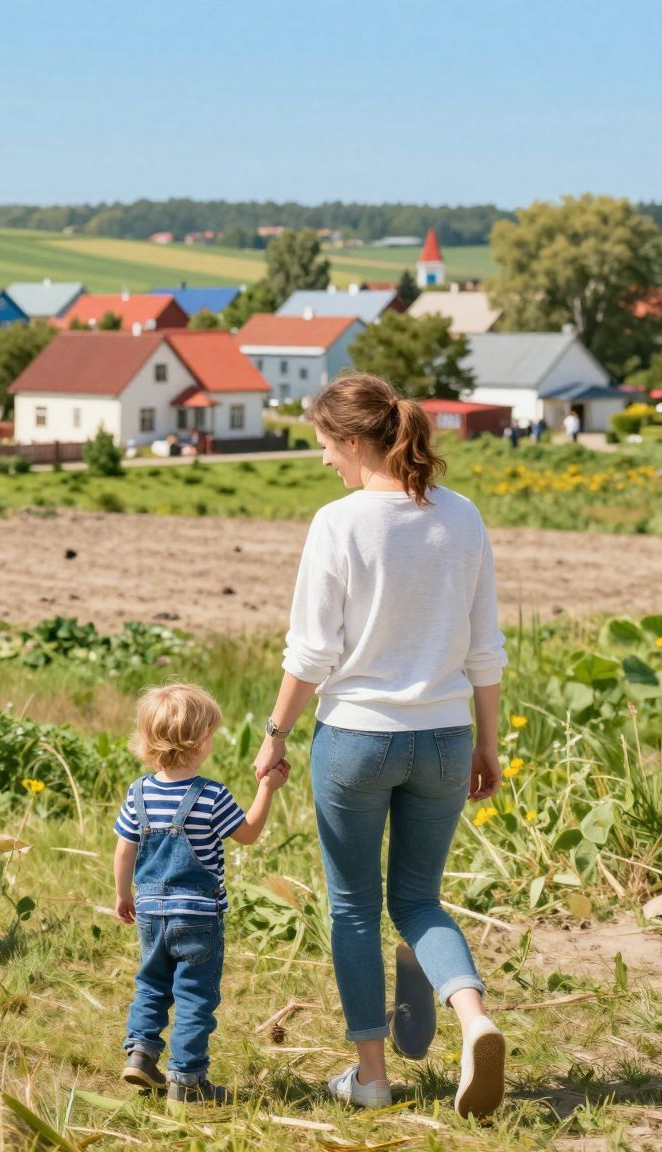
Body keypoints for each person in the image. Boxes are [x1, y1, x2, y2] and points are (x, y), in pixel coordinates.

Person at [252, 372, 508, 1117]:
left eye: (327, 445)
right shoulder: (462, 518)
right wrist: (486, 744)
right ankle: (474, 1019)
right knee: (420, 900)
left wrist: (275, 736)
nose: (325, 460)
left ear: (357, 441)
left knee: (356, 908)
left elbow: (309, 655)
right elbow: (483, 647)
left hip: (358, 742)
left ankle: (371, 1077)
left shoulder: (340, 523)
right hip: (444, 737)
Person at [114, 684, 285, 1102]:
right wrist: (267, 790)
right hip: (198, 916)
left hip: (152, 910)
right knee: (194, 995)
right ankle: (187, 1081)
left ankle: (140, 1054)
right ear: (200, 741)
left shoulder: (139, 793)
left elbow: (124, 849)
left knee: (152, 983)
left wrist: (123, 894)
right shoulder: (211, 794)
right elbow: (247, 834)